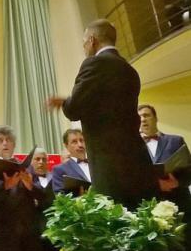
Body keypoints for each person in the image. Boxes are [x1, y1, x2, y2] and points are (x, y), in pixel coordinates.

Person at [47, 19, 159, 209]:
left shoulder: (95, 63)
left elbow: (74, 109)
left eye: (84, 43)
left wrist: (65, 102)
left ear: (92, 40)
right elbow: (110, 107)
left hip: (109, 162)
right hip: (137, 159)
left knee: (116, 219)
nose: (84, 48)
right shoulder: (129, 70)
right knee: (140, 217)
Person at [138, 104, 191, 251]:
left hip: (179, 204)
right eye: (139, 117)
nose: (143, 119)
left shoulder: (175, 140)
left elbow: (189, 170)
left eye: (147, 115)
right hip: (149, 207)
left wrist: (177, 183)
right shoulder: (132, 147)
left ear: (155, 118)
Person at [29, 148, 58, 251]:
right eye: (37, 159)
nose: (41, 162)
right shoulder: (26, 181)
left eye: (44, 159)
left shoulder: (56, 179)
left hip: (55, 233)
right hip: (34, 235)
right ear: (31, 162)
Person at [51, 129, 90, 195]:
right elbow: (60, 197)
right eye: (74, 142)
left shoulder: (97, 164)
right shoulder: (60, 169)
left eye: (81, 140)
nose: (80, 145)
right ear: (66, 146)